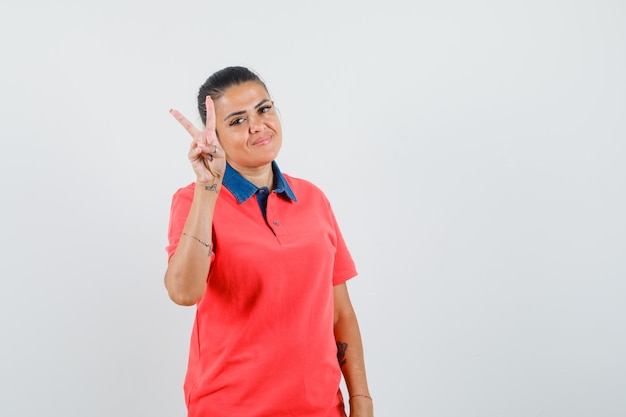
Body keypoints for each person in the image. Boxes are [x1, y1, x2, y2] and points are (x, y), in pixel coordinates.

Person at [164, 66, 373, 417]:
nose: (257, 125)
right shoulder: (194, 199)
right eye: (236, 121)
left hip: (322, 408)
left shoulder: (313, 198)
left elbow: (340, 312)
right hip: (231, 407)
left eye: (264, 109)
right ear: (213, 135)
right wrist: (208, 188)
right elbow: (184, 292)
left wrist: (361, 400)